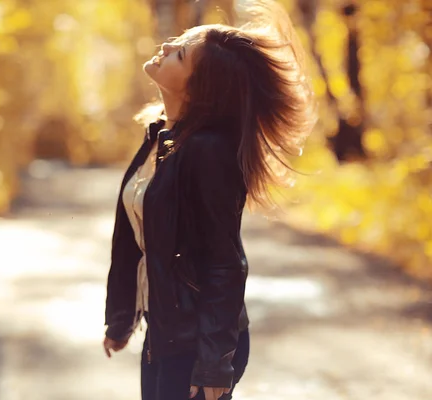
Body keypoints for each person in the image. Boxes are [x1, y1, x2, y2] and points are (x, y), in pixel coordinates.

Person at [103, 1, 316, 399]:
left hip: (199, 343)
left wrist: (215, 361)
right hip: (166, 332)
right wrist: (121, 319)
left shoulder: (208, 151)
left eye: (180, 53)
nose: (166, 46)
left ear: (198, 86)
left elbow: (225, 261)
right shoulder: (160, 139)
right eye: (177, 42)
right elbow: (135, 238)